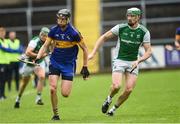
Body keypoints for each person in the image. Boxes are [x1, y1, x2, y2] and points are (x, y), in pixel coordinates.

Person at [88, 7, 152, 116]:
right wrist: (94, 52)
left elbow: (148, 51)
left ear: (138, 17)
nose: (129, 18)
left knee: (129, 90)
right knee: (116, 86)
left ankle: (113, 109)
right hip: (119, 60)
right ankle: (109, 99)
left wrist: (139, 60)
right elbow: (103, 37)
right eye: (128, 15)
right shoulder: (121, 28)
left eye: (132, 16)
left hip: (133, 62)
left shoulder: (144, 32)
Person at [35, 9, 90, 120]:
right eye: (58, 18)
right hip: (55, 62)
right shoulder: (53, 31)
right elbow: (45, 45)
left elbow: (85, 49)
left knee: (65, 93)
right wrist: (38, 56)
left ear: (67, 20)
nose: (60, 21)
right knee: (52, 88)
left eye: (62, 19)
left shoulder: (74, 33)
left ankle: (64, 83)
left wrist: (85, 66)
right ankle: (55, 114)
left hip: (69, 64)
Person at [14, 27, 50, 108]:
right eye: (43, 35)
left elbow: (50, 49)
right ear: (41, 34)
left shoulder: (48, 41)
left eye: (46, 36)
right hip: (29, 63)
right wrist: (39, 55)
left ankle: (38, 98)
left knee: (42, 76)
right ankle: (18, 98)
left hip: (39, 63)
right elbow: (28, 52)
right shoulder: (34, 41)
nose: (44, 37)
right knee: (24, 84)